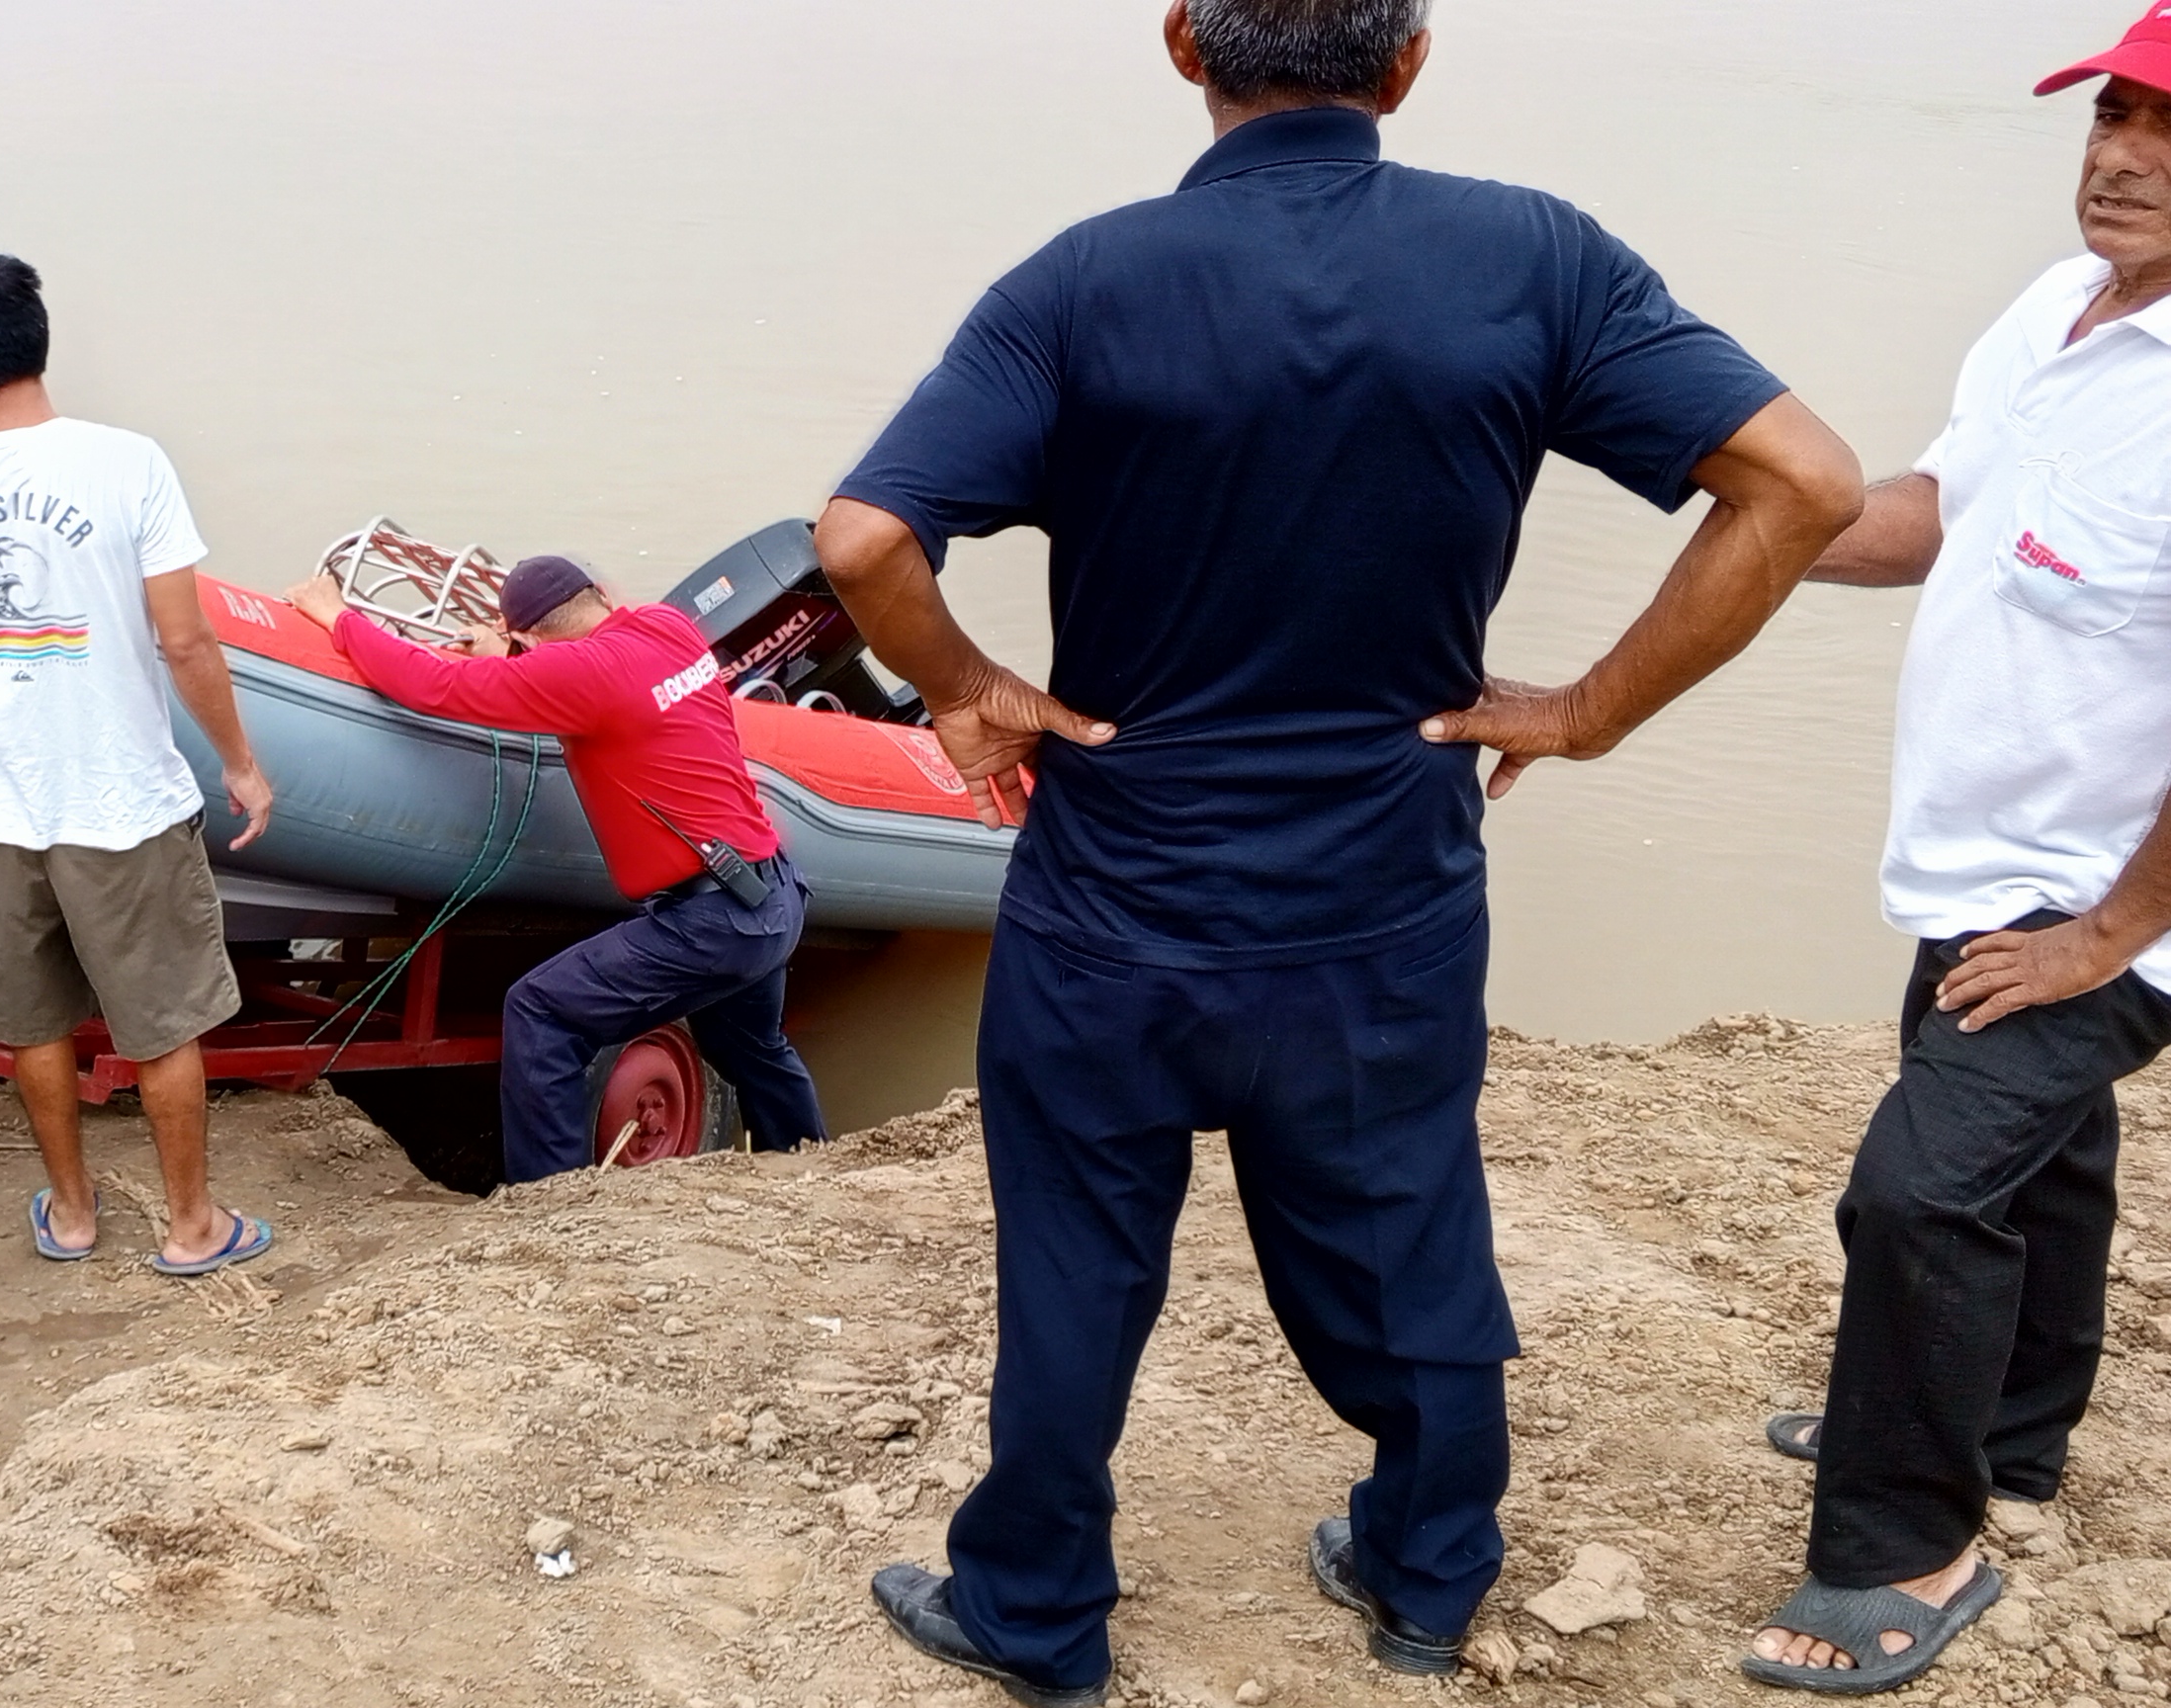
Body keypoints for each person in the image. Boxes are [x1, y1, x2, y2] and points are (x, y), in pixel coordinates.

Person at [810, 3, 1866, 1702]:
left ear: (1183, 44)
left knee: (1077, 1267)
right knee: (1408, 1241)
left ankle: (1035, 1610)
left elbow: (865, 539)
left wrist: (966, 689)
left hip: (1118, 904)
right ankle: (1424, 1577)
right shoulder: (1532, 258)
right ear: (1406, 60)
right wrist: (1588, 710)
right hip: (1381, 903)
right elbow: (1803, 484)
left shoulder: (1081, 283)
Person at [1740, 16, 2171, 1691]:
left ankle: (1905, 1541)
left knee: (1919, 1190)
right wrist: (1758, 516)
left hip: (2116, 898)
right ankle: (2014, 1428)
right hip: (1989, 853)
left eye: (2169, 126)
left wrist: (2109, 934)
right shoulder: (2056, 308)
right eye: (2115, 109)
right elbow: (1936, 513)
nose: (2121, 151)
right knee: (2039, 1156)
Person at [0, 249, 280, 1277]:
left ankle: (73, 1210)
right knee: (164, 1023)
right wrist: (240, 762)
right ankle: (192, 1226)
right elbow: (185, 640)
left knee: (33, 1020)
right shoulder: (129, 463)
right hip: (124, 799)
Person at [282, 555, 831, 1183]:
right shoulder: (667, 626)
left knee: (541, 1012)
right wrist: (515, 658)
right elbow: (596, 676)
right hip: (774, 893)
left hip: (714, 919)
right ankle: (814, 1171)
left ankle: (549, 1197)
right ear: (598, 593)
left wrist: (339, 616)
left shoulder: (581, 673)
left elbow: (433, 684)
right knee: (749, 1045)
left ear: (529, 637)